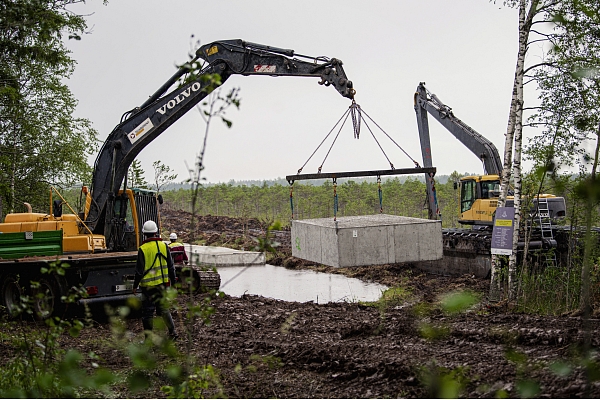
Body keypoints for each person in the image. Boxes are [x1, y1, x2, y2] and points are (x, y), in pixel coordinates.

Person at [133, 220, 178, 341]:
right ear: (156, 232)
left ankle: (148, 340)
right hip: (162, 285)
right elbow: (171, 266)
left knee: (148, 313)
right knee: (163, 308)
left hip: (148, 287)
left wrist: (134, 286)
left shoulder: (143, 249)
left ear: (144, 234)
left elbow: (139, 271)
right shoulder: (164, 246)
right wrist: (173, 282)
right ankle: (173, 332)